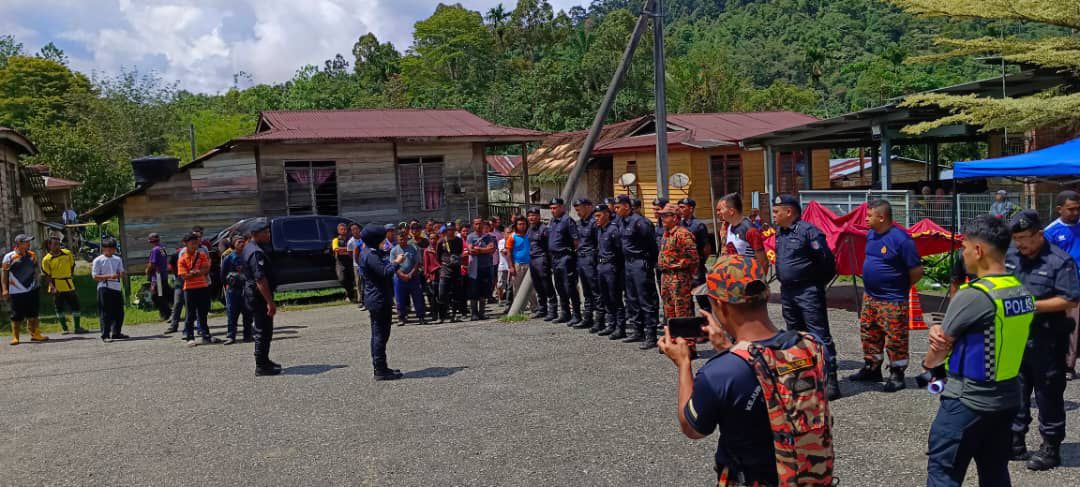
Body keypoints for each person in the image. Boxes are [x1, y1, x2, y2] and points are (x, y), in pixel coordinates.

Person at [660, 254, 834, 486]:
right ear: (765, 295)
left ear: (719, 304)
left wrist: (683, 365)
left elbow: (692, 428)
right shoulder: (812, 345)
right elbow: (767, 372)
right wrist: (730, 348)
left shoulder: (720, 372)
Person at [922, 215, 1034, 487]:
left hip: (967, 400)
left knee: (943, 474)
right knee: (995, 472)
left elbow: (935, 356)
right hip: (1007, 397)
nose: (963, 254)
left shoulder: (974, 294)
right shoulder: (1021, 291)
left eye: (964, 247)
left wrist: (931, 356)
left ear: (979, 250)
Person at [1005, 210, 1079, 470]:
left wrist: (1030, 306)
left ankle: (1051, 446)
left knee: (1048, 394)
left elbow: (1071, 298)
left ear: (1039, 234)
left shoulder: (1059, 261)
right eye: (1016, 238)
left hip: (1048, 339)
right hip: (1015, 338)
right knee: (1016, 390)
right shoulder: (1012, 255)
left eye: (1025, 237)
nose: (1020, 244)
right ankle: (1015, 440)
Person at [850, 199, 924, 392]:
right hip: (871, 297)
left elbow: (916, 271)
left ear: (881, 217)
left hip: (892, 299)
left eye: (869, 215)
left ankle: (897, 373)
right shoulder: (872, 235)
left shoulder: (901, 239)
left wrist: (899, 286)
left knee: (895, 337)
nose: (866, 219)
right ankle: (872, 367)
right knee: (869, 332)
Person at [772, 194, 841, 400]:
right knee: (795, 335)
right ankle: (804, 376)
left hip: (807, 291)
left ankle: (830, 379)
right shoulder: (780, 233)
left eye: (777, 211)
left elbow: (827, 263)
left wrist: (814, 283)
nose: (773, 215)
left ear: (789, 212)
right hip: (788, 292)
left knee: (818, 334)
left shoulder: (808, 232)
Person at [358, 223, 407, 381]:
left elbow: (382, 259)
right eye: (381, 238)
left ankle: (381, 366)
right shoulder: (370, 255)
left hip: (377, 298)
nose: (384, 241)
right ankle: (380, 369)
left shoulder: (371, 252)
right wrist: (397, 261)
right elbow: (385, 272)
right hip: (378, 299)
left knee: (379, 334)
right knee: (380, 335)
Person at [615, 195, 660, 349]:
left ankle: (651, 335)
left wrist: (649, 263)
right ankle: (637, 330)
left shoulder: (640, 222)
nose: (615, 210)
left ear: (627, 206)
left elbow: (652, 246)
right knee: (631, 298)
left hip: (641, 262)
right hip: (628, 263)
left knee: (645, 299)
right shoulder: (621, 221)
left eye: (618, 207)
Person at [1044, 190, 1080, 380]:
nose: (1075, 213)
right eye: (1071, 209)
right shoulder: (1051, 232)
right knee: (1072, 326)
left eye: (1078, 209)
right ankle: (1067, 365)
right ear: (1060, 209)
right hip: (1067, 286)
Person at [240, 218, 281, 376]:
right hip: (259, 296)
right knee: (263, 330)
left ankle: (265, 360)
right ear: (255, 234)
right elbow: (260, 279)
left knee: (265, 328)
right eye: (265, 232)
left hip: (254, 294)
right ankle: (261, 365)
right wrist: (270, 302)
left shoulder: (250, 247)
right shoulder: (255, 252)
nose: (268, 234)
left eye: (268, 231)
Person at [657, 202, 700, 324]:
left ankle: (687, 341)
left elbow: (694, 258)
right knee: (669, 312)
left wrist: (683, 271)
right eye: (661, 216)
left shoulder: (683, 234)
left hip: (679, 278)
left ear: (675, 218)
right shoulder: (666, 234)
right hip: (666, 277)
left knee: (682, 312)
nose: (662, 219)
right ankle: (675, 340)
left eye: (665, 216)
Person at [3, 234, 47, 345]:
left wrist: (38, 283)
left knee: (33, 313)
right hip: (16, 291)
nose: (29, 244)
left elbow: (36, 270)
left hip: (32, 289)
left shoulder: (32, 255)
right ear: (19, 244)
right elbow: (4, 274)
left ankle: (35, 334)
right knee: (16, 315)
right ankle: (15, 337)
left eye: (29, 242)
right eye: (26, 242)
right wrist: (4, 289)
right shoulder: (8, 257)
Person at [547, 198, 581, 325]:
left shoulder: (568, 221)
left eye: (555, 208)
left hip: (566, 257)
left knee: (570, 286)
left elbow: (576, 241)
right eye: (551, 208)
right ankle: (565, 313)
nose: (552, 210)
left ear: (562, 207)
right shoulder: (552, 221)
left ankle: (576, 314)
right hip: (555, 259)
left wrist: (572, 255)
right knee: (559, 287)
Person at [41, 236, 86, 334]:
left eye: (59, 244)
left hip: (69, 284)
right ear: (49, 245)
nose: (58, 246)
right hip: (56, 285)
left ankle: (77, 327)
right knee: (59, 307)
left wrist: (70, 276)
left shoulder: (67, 253)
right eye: (55, 244)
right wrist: (52, 287)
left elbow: (72, 265)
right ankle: (65, 329)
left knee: (75, 305)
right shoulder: (46, 259)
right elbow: (47, 275)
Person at [594, 204, 626, 338]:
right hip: (601, 267)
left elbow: (620, 251)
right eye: (595, 216)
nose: (596, 218)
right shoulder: (600, 230)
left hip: (612, 267)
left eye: (599, 215)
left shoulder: (614, 230)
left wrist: (616, 268)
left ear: (607, 214)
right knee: (606, 298)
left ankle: (620, 327)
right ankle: (611, 325)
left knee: (615, 298)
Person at [178, 232, 215, 346]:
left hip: (203, 286)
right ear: (186, 244)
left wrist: (195, 273)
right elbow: (183, 275)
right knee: (190, 313)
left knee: (203, 312)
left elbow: (206, 269)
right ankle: (190, 336)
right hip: (189, 289)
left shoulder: (202, 255)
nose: (194, 246)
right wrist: (196, 273)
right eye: (192, 243)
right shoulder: (182, 258)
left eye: (196, 243)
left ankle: (205, 334)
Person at [715, 193, 768, 271]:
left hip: (749, 280)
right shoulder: (729, 227)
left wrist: (757, 282)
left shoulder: (750, 230)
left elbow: (763, 262)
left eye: (721, 209)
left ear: (731, 211)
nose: (718, 213)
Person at [572, 198, 602, 331]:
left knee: (596, 291)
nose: (577, 212)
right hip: (581, 259)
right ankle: (588, 317)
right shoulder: (580, 223)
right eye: (576, 210)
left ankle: (600, 320)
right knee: (586, 291)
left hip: (591, 259)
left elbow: (599, 243)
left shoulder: (595, 223)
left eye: (579, 209)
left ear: (588, 207)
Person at [678, 198, 712, 312]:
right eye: (679, 207)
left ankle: (707, 323)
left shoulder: (698, 225)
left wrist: (700, 262)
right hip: (683, 266)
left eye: (682, 207)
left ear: (691, 209)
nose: (680, 209)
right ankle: (691, 323)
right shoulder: (678, 224)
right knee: (686, 298)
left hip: (696, 266)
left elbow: (706, 247)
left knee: (701, 296)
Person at [91, 238, 126, 343]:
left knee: (119, 311)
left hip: (116, 286)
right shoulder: (98, 260)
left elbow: (121, 271)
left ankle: (116, 332)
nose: (110, 251)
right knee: (106, 312)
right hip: (104, 287)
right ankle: (105, 334)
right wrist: (109, 276)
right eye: (108, 249)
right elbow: (95, 276)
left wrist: (119, 274)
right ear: (103, 249)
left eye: (112, 249)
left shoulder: (117, 259)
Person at [220, 235, 253, 345]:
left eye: (243, 242)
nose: (242, 244)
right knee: (232, 314)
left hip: (246, 289)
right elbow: (223, 274)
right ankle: (231, 336)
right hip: (233, 290)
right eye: (239, 242)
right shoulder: (229, 258)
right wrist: (229, 285)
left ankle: (248, 335)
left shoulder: (248, 256)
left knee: (248, 313)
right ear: (234, 244)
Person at [526, 208, 556, 320]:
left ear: (538, 216)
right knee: (537, 285)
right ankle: (542, 309)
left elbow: (549, 247)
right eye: (529, 216)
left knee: (546, 285)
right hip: (533, 259)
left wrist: (549, 262)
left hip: (542, 259)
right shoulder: (530, 229)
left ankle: (553, 310)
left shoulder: (544, 229)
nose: (531, 218)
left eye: (534, 215)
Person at [391, 229, 425, 325]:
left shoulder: (413, 248)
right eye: (400, 239)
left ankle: (421, 317)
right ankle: (401, 317)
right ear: (397, 240)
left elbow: (417, 263)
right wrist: (401, 275)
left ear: (407, 238)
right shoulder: (394, 250)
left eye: (404, 239)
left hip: (413, 277)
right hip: (399, 278)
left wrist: (410, 274)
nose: (402, 241)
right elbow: (393, 265)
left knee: (418, 298)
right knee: (400, 299)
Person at [466, 218, 497, 321]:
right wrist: (483, 250)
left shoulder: (488, 237)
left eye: (480, 224)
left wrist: (479, 250)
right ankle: (474, 313)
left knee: (484, 292)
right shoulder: (470, 237)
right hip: (474, 268)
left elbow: (491, 249)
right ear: (473, 225)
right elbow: (471, 250)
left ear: (483, 224)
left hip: (486, 267)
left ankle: (482, 313)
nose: (478, 226)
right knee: (474, 292)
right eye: (476, 224)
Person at [437, 223, 465, 323]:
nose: (451, 231)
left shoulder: (459, 240)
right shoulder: (441, 241)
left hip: (456, 270)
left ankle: (453, 315)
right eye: (449, 229)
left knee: (456, 294)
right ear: (446, 230)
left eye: (453, 229)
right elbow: (438, 256)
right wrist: (445, 263)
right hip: (445, 270)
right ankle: (442, 316)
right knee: (442, 294)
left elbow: (460, 252)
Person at [506, 216, 536, 313]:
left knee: (532, 288)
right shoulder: (512, 236)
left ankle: (534, 307)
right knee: (517, 287)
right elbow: (509, 252)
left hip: (530, 263)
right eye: (520, 224)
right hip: (517, 264)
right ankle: (518, 309)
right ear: (516, 225)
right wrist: (511, 266)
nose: (522, 226)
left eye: (524, 224)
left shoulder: (530, 235)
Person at [144, 233, 172, 323]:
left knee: (157, 296)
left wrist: (147, 270)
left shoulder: (155, 250)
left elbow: (152, 263)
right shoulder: (162, 249)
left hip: (157, 276)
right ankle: (169, 311)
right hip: (163, 275)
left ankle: (165, 314)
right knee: (163, 294)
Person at [332, 222, 356, 303]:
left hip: (350, 262)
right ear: (338, 231)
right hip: (340, 263)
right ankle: (350, 294)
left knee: (351, 279)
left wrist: (344, 250)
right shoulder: (335, 240)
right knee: (342, 279)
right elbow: (337, 250)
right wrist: (348, 250)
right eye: (341, 229)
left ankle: (350, 296)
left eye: (345, 229)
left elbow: (354, 249)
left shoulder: (350, 239)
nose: (344, 231)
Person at [422, 232, 442, 322]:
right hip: (432, 275)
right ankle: (435, 314)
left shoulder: (441, 249)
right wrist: (427, 277)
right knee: (433, 296)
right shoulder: (427, 251)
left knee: (441, 295)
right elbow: (426, 265)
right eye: (431, 238)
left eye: (435, 238)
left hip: (441, 274)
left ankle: (442, 314)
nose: (433, 240)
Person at [347, 223, 365, 309]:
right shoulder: (350, 242)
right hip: (357, 265)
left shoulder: (364, 238)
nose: (355, 231)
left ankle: (367, 299)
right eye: (353, 229)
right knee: (359, 283)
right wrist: (356, 261)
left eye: (356, 229)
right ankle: (360, 300)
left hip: (366, 263)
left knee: (366, 282)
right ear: (351, 231)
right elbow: (350, 254)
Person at [496, 225, 511, 305]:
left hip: (510, 266)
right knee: (500, 284)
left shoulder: (512, 241)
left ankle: (509, 300)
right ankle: (500, 299)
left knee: (510, 285)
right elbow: (503, 252)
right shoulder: (501, 242)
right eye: (507, 233)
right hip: (502, 266)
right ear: (504, 233)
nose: (509, 234)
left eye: (510, 233)